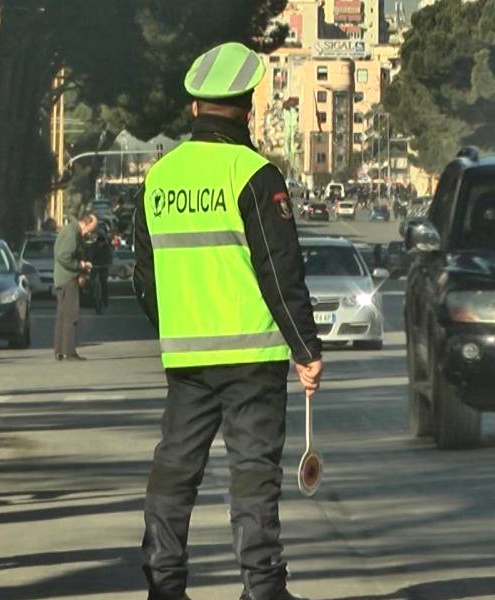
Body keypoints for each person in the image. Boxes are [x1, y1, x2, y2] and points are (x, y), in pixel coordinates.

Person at [132, 42, 324, 600]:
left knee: (173, 474)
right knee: (253, 477)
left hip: (187, 360)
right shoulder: (255, 174)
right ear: (248, 106)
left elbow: (143, 277)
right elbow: (279, 273)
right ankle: (262, 588)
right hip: (252, 362)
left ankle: (164, 585)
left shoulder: (159, 179)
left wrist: (175, 324)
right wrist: (305, 349)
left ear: (194, 108)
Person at [52, 213, 97, 360]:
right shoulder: (73, 233)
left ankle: (60, 350)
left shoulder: (71, 230)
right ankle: (69, 352)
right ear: (85, 223)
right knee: (71, 315)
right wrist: (81, 265)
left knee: (62, 316)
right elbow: (63, 256)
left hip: (62, 278)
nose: (90, 232)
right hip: (68, 278)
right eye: (90, 228)